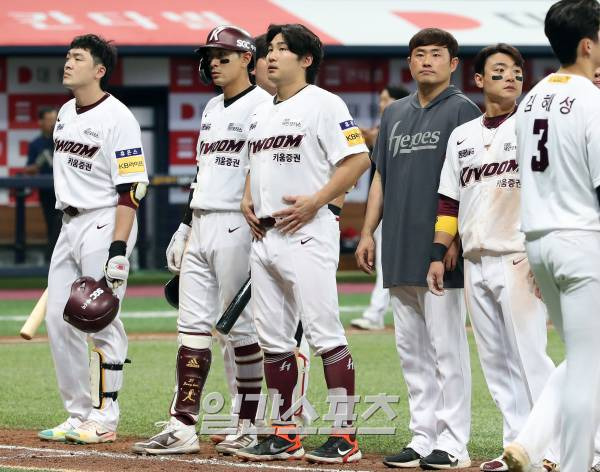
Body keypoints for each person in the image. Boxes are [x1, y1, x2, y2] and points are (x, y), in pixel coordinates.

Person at [236, 23, 370, 464]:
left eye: (281, 50)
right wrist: (247, 198)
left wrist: (317, 200)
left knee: (324, 333)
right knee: (273, 340)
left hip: (308, 230)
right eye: (269, 49)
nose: (270, 56)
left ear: (306, 59)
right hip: (266, 234)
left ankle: (345, 435)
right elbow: (257, 163)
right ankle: (285, 432)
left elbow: (358, 159)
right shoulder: (261, 112)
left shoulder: (324, 104)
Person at [132, 26, 269, 456]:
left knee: (239, 329)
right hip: (204, 222)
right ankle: (182, 425)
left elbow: (262, 173)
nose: (213, 62)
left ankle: (249, 423)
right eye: (209, 56)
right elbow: (201, 173)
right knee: (190, 326)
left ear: (247, 58)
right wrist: (185, 225)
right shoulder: (211, 107)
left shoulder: (264, 106)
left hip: (238, 224)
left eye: (223, 56)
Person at [425, 43, 557, 472]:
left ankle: (556, 450)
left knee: (531, 358)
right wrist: (438, 252)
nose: (511, 77)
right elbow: (449, 201)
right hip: (476, 261)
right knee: (497, 364)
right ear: (478, 80)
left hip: (519, 257)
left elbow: (551, 191)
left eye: (517, 71)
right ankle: (517, 449)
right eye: (499, 71)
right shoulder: (462, 136)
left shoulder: (534, 127)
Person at [355, 28, 481, 469]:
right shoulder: (395, 115)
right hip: (399, 248)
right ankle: (422, 437)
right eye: (418, 54)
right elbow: (380, 177)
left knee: (447, 351)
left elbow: (473, 181)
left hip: (438, 249)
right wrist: (369, 231)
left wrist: (454, 241)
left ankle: (453, 444)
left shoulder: (465, 110)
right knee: (412, 354)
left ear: (453, 64)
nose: (426, 60)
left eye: (436, 54)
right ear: (409, 63)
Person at [502, 1, 600, 471]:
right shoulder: (591, 100)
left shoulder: (533, 98)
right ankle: (579, 465)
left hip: (541, 239)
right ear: (587, 44)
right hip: (583, 240)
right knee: (588, 366)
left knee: (583, 355)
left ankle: (534, 440)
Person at [37, 34, 148, 444]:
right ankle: (78, 413)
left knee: (99, 316)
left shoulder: (119, 118)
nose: (68, 62)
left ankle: (105, 417)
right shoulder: (65, 112)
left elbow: (132, 187)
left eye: (77, 57)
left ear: (99, 70)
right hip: (70, 222)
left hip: (106, 221)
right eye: (67, 55)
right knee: (57, 319)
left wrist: (119, 248)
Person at [351, 85, 409, 331]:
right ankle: (382, 313)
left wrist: (368, 136)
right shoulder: (383, 128)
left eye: (386, 99)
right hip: (381, 208)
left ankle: (375, 314)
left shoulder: (404, 125)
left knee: (388, 264)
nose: (382, 104)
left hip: (397, 207)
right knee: (387, 265)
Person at [23, 107, 62, 261]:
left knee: (64, 223)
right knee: (51, 223)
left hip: (65, 190)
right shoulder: (36, 144)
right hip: (47, 192)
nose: (53, 123)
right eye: (50, 120)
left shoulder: (62, 139)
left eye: (55, 120)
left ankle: (56, 256)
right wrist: (38, 163)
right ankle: (51, 257)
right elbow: (29, 169)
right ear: (41, 122)